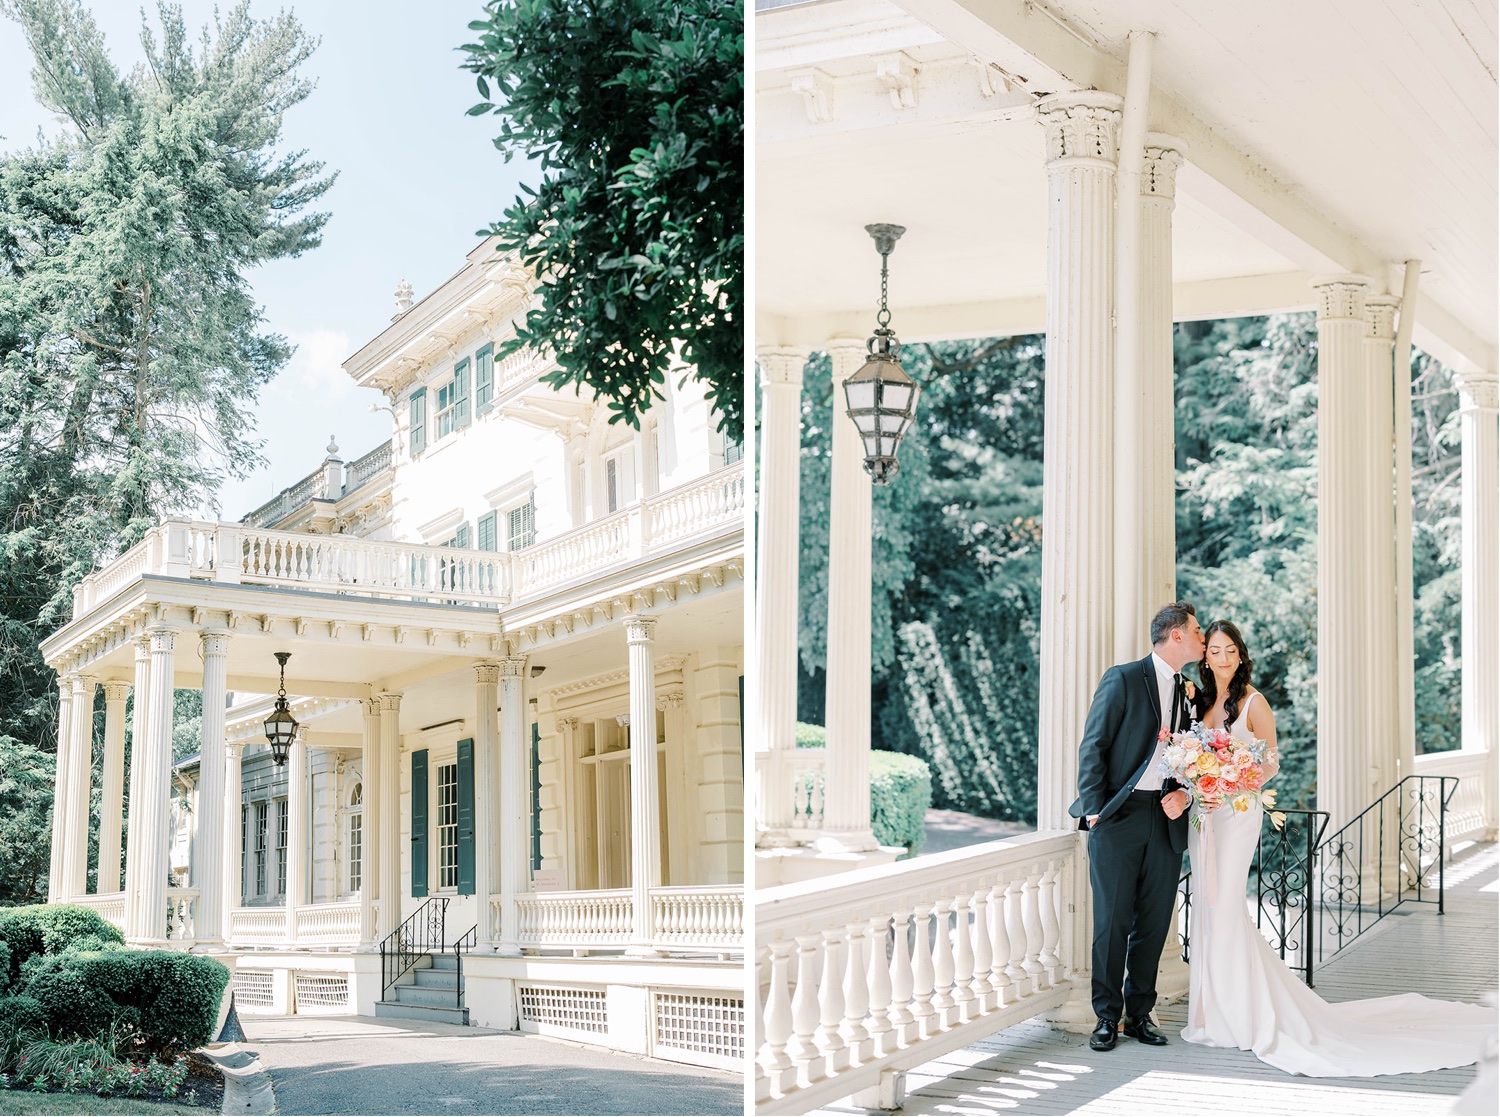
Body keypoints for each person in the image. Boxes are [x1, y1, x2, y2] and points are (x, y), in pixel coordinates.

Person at [1182, 619, 1493, 1075]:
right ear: (1205, 654)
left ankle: (1241, 1017)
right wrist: (1200, 783)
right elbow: (1190, 753)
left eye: (1230, 650)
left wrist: (1229, 781)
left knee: (1226, 905)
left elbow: (1270, 764)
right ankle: (1214, 1010)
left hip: (1238, 811)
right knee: (1207, 909)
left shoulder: (1255, 702)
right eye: (1214, 650)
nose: (1222, 657)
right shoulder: (1200, 699)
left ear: (1241, 654)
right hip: (1205, 815)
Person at [1070, 601, 1203, 1052]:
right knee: (1110, 920)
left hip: (1165, 819)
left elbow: (1194, 757)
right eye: (1198, 630)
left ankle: (1139, 1014)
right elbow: (1094, 745)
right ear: (1177, 635)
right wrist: (1095, 809)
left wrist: (1182, 793)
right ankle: (1105, 1018)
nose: (1203, 638)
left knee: (1154, 920)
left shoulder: (1190, 691)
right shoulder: (1124, 678)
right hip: (1117, 816)